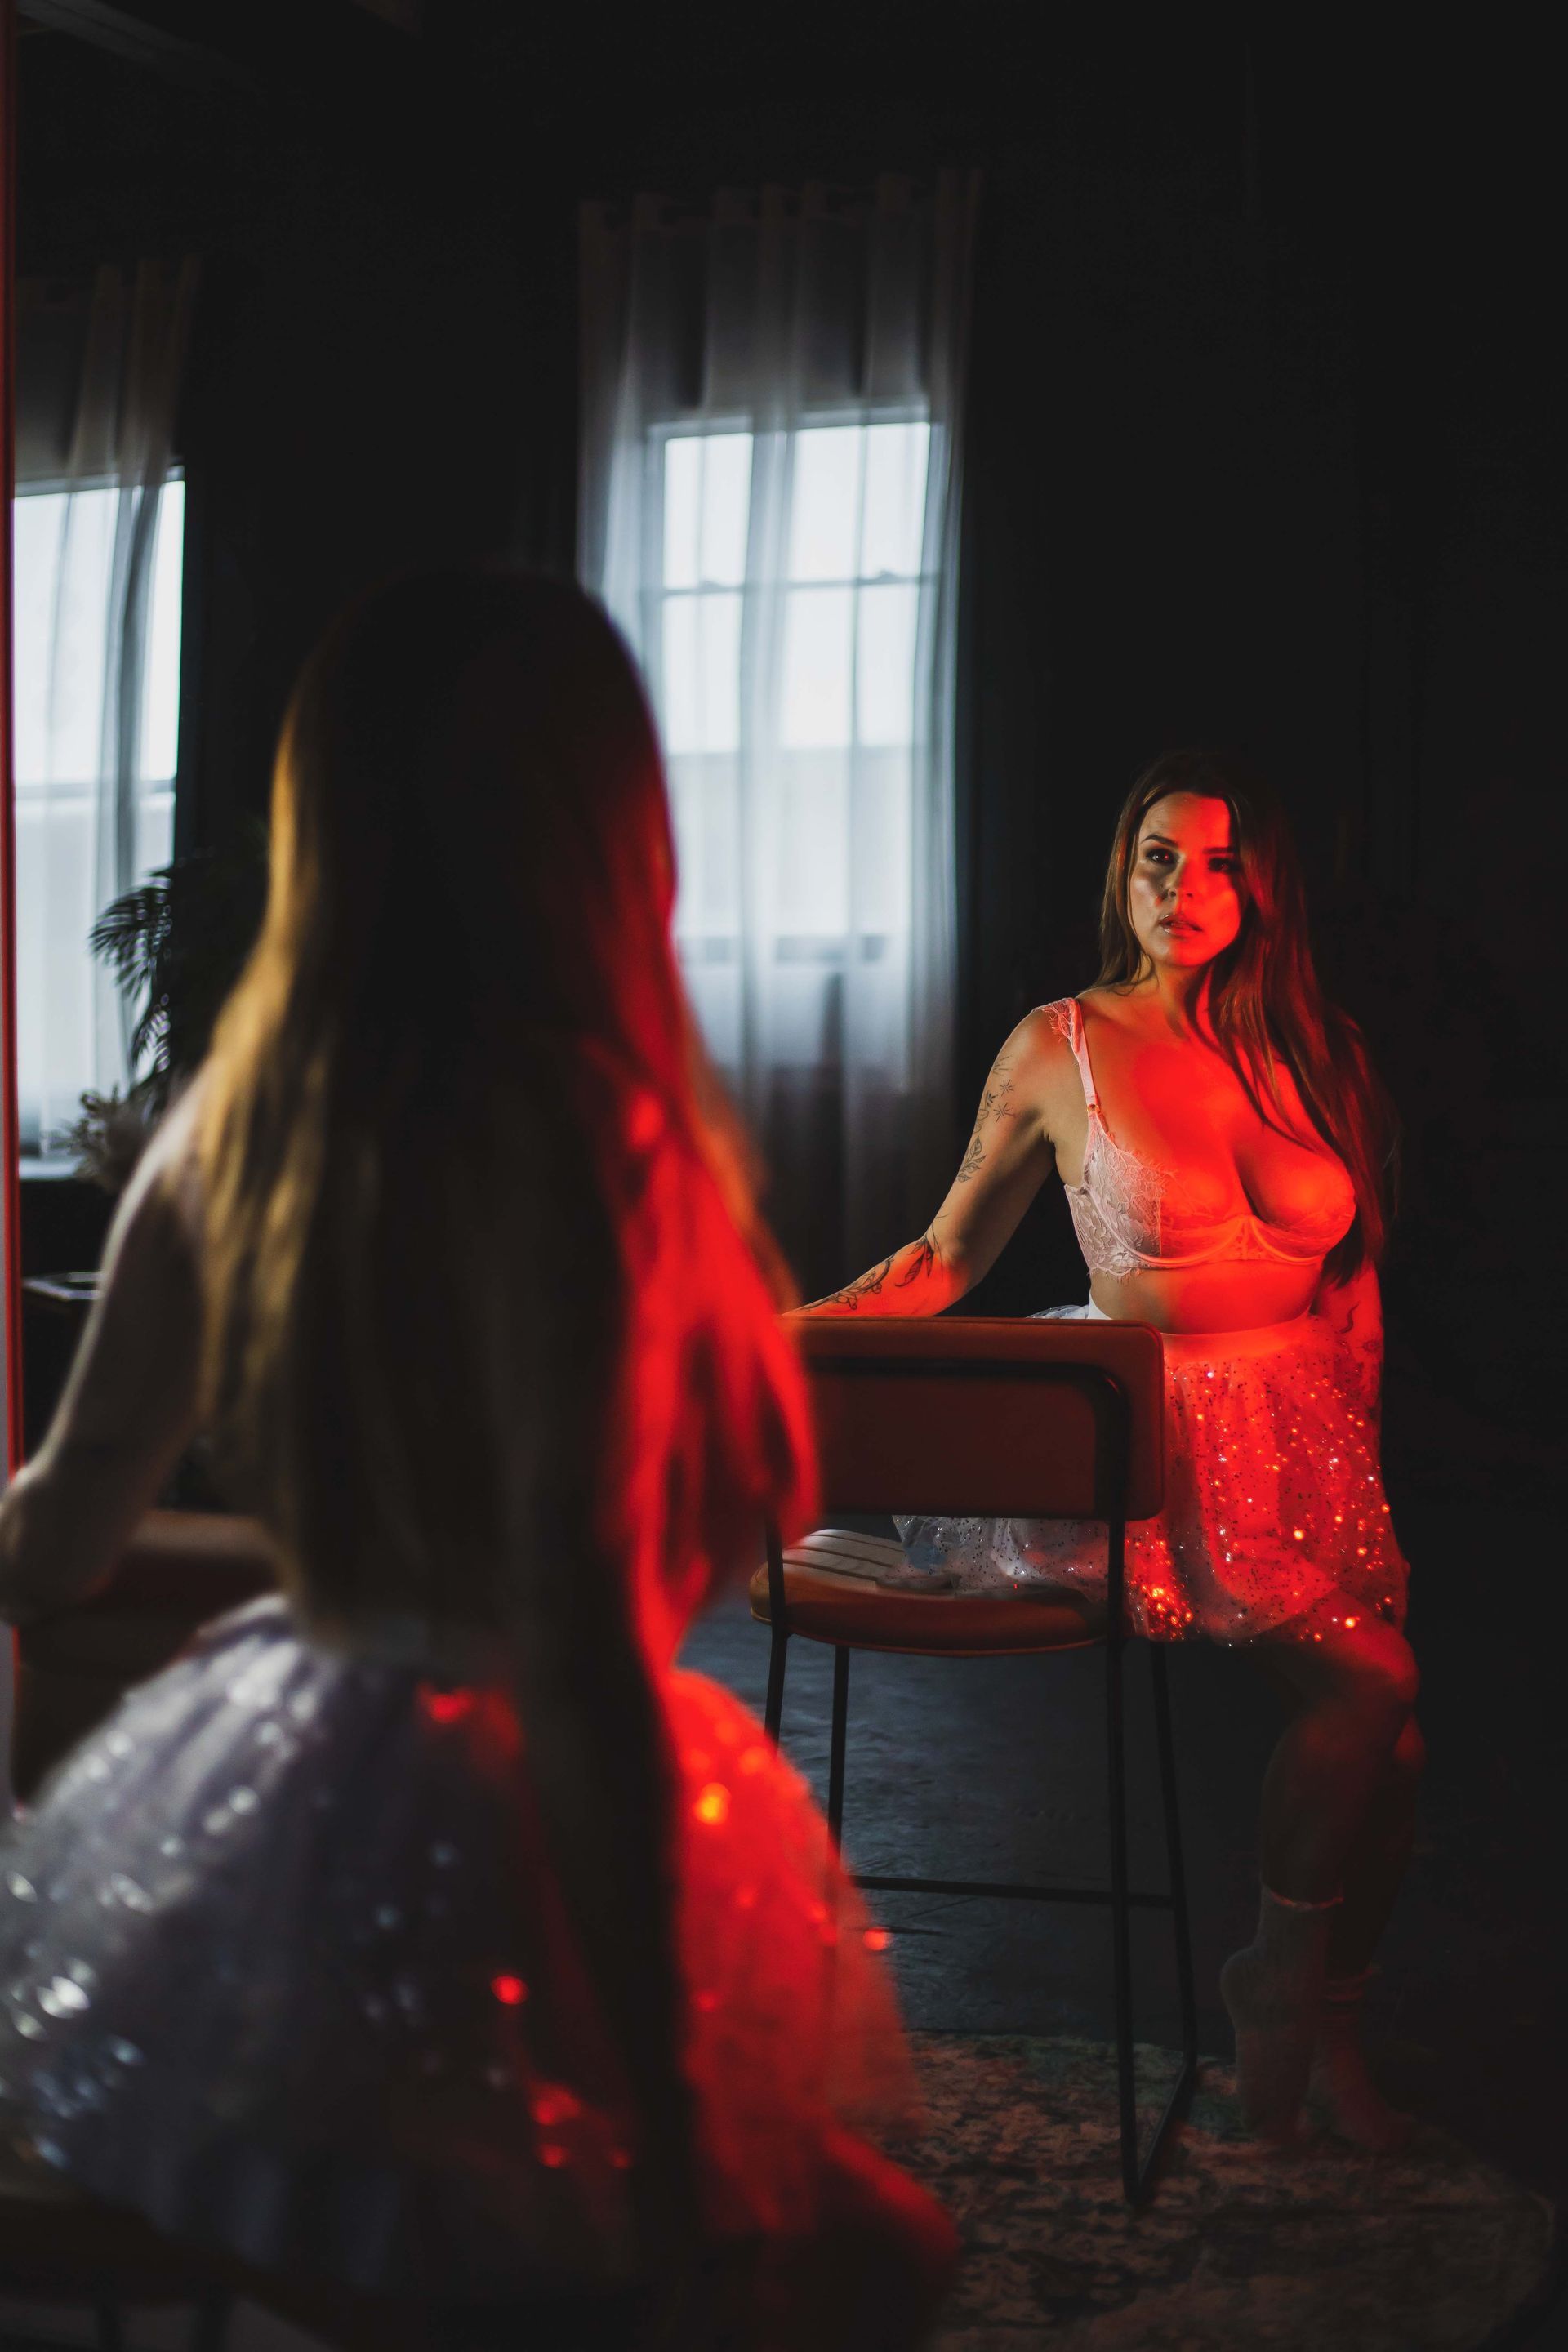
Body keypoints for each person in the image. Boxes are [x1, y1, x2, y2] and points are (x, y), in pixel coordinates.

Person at [0, 568, 956, 2345]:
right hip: (506, 1842)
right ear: (601, 830)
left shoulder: (240, 1118)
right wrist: (671, 2128)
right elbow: (580, 1652)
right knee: (855, 2268)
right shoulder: (583, 1138)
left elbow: (57, 1537)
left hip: (286, 1823)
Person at [805, 751, 1419, 2153]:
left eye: (1217, 864)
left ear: (1259, 891)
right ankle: (1272, 1987)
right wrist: (773, 1326)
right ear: (1123, 870)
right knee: (1372, 1686)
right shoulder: (1061, 1044)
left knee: (1398, 1743)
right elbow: (943, 1260)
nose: (1185, 888)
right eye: (1160, 856)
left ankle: (1328, 2026)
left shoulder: (1318, 1048)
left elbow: (1352, 1293)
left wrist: (1365, 1486)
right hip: (1143, 1427)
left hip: (1305, 1433)